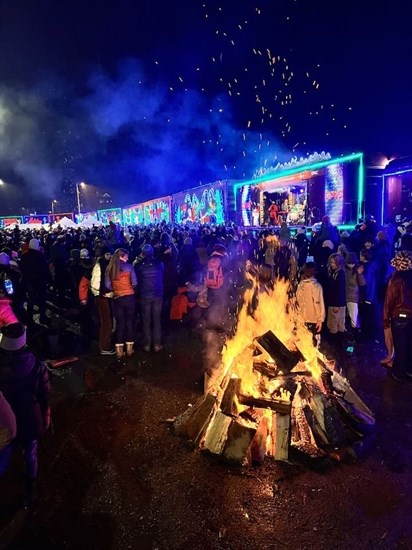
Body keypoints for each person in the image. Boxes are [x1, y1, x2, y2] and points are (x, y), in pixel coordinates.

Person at [0, 322, 51, 508]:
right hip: (30, 418)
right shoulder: (36, 366)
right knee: (30, 453)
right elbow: (44, 394)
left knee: (4, 453)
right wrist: (45, 414)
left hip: (5, 423)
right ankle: (30, 488)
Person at [383, 250, 412, 382]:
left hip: (400, 317)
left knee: (400, 346)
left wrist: (386, 319)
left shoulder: (396, 280)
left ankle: (398, 373)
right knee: (410, 344)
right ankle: (409, 371)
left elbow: (389, 301)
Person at [105, 248, 137, 358]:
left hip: (118, 298)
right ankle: (129, 349)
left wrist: (116, 289)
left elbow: (107, 285)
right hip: (130, 297)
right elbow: (135, 282)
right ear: (121, 256)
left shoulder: (110, 268)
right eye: (126, 256)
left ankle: (119, 351)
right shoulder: (129, 267)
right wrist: (129, 286)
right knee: (129, 322)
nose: (128, 258)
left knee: (120, 323)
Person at [134, 244, 164, 352]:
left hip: (145, 295)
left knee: (146, 320)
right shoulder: (159, 264)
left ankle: (147, 344)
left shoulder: (139, 265)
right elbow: (162, 275)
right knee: (156, 320)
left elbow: (136, 280)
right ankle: (157, 344)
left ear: (142, 253)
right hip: (157, 294)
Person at [90, 247, 115, 356]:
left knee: (107, 321)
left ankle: (106, 344)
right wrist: (102, 293)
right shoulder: (99, 266)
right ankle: (104, 347)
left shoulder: (106, 265)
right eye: (107, 254)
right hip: (101, 297)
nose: (109, 257)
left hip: (105, 296)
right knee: (106, 322)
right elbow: (95, 284)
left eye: (110, 254)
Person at [19, 238, 50, 326]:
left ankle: (29, 317)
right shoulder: (40, 255)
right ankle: (42, 317)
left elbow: (22, 269)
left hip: (29, 282)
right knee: (41, 299)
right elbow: (45, 268)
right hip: (40, 282)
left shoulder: (24, 255)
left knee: (30, 299)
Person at [296, 262, 325, 347]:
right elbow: (318, 303)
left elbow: (297, 299)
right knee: (314, 343)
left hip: (301, 318)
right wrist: (320, 318)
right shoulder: (316, 286)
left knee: (303, 341)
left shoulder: (301, 285)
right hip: (313, 319)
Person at [324, 253, 346, 346]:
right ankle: (339, 344)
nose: (332, 264)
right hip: (336, 302)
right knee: (339, 324)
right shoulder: (334, 272)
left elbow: (339, 290)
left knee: (334, 324)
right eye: (331, 262)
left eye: (334, 263)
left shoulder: (340, 274)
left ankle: (335, 345)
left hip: (336, 303)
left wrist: (337, 304)